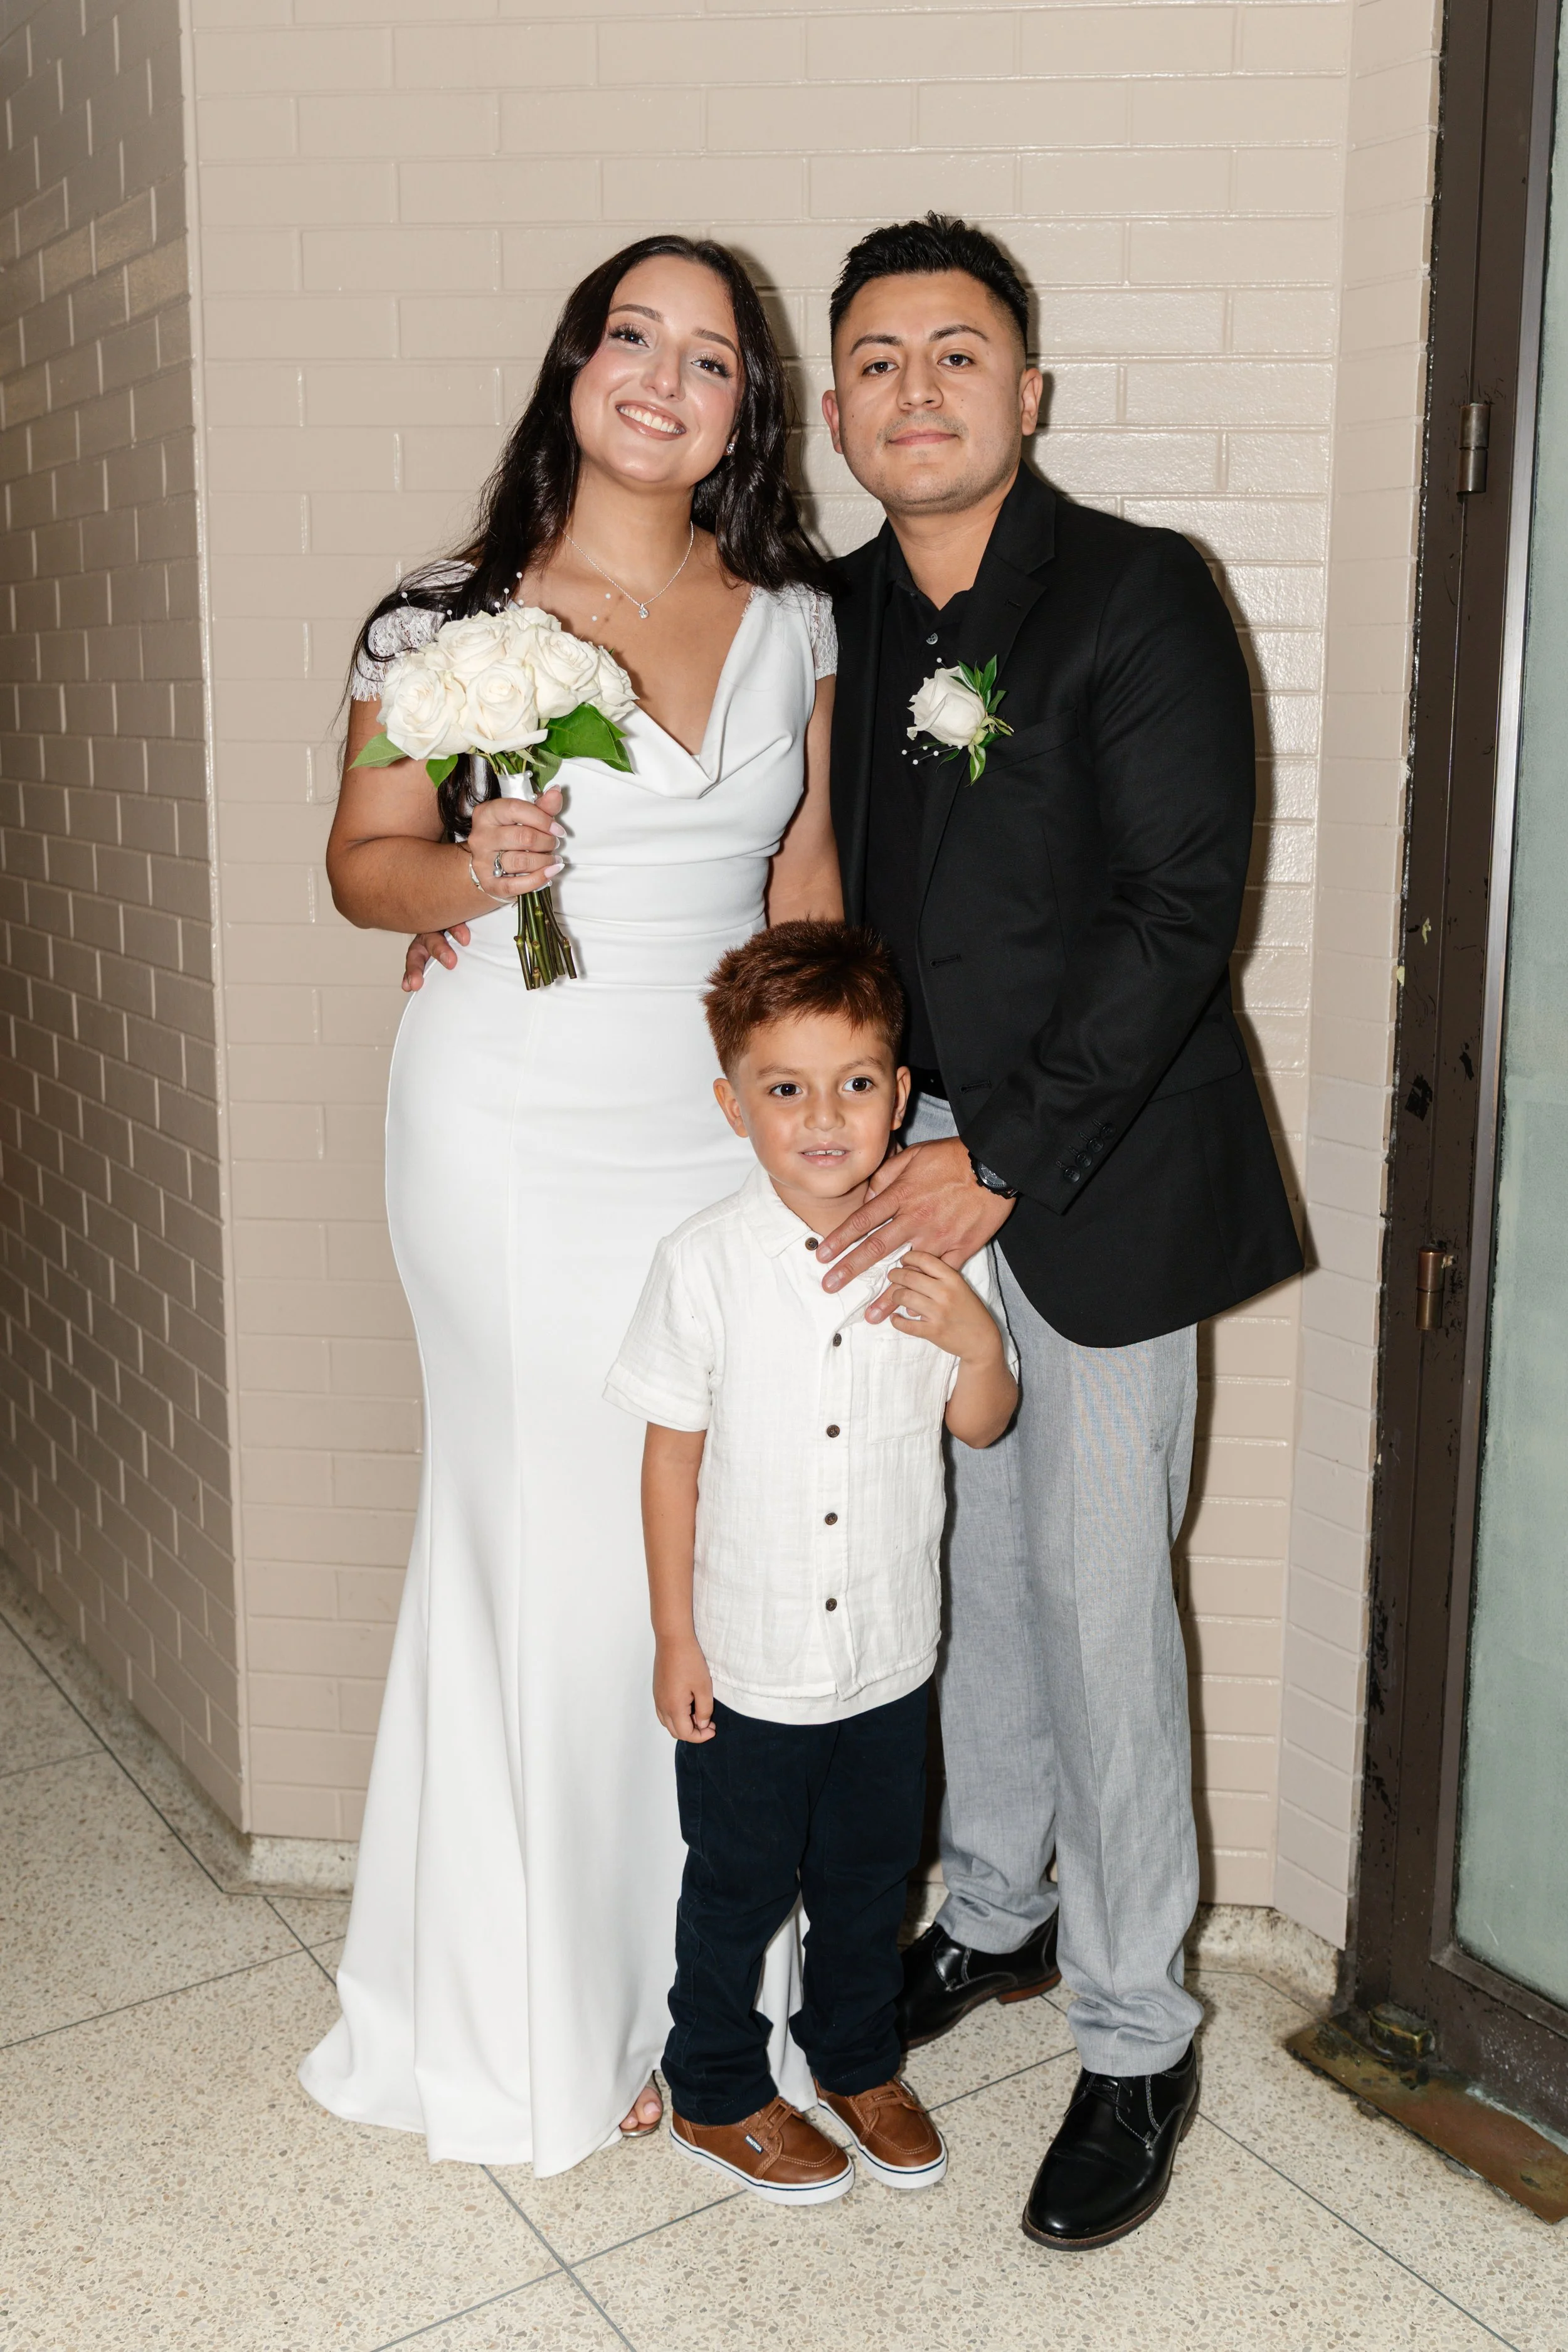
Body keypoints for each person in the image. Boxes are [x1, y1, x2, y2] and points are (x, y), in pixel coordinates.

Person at [301, 235, 841, 2175]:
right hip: (509, 1121)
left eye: (710, 359)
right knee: (545, 1538)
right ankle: (533, 2005)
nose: (664, 378)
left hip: (704, 1134)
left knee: (692, 1553)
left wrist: (819, 1133)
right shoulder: (438, 622)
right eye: (636, 336)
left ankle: (695, 1999)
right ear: (576, 362)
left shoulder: (792, 621)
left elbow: (804, 896)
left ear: (738, 416)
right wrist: (475, 871)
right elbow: (363, 864)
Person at [813, 216, 1304, 2250]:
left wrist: (994, 1154)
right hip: (898, 1158)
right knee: (969, 1580)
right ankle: (997, 1914)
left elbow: (1187, 908)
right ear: (838, 410)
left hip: (1084, 1170)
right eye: (875, 361)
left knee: (1100, 1597)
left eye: (957, 353)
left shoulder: (1136, 593)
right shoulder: (829, 612)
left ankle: (1134, 2030)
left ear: (1030, 392)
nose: (915, 390)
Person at [605, 922, 1017, 2204]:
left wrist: (977, 1343)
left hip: (889, 1652)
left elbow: (981, 1421)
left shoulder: (943, 1249)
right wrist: (675, 1636)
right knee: (736, 1887)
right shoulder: (703, 1266)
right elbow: (669, 1458)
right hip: (750, 1659)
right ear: (733, 1107)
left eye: (854, 1085)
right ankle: (718, 2085)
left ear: (899, 1097)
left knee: (863, 1881)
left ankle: (853, 2058)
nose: (823, 1118)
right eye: (785, 1090)